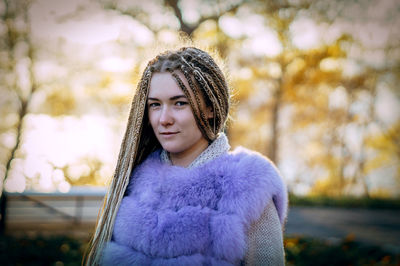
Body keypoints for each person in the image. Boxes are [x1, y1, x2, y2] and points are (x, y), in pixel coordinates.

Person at [84, 46, 288, 266]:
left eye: (179, 103)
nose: (164, 119)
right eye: (155, 105)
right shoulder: (131, 183)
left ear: (210, 108)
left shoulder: (247, 188)